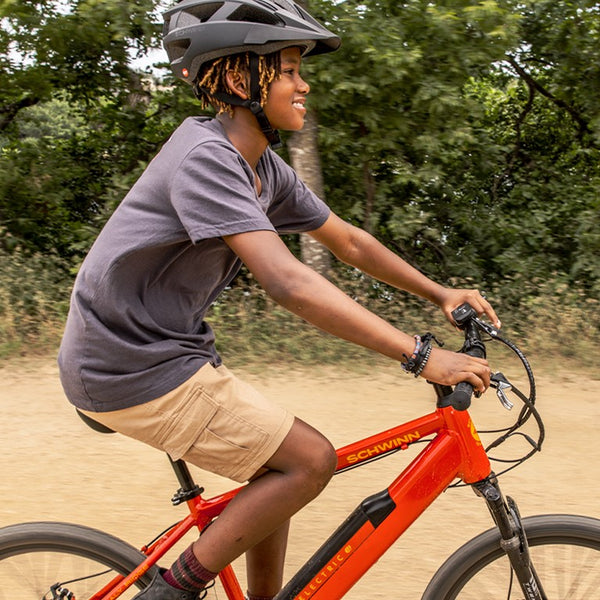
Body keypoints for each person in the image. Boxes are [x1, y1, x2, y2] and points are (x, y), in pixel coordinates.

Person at [58, 1, 501, 598]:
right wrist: (420, 355)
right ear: (241, 79)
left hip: (163, 353)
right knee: (309, 460)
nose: (303, 83)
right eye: (289, 68)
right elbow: (287, 282)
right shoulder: (207, 160)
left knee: (278, 466)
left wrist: (439, 292)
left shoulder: (259, 165)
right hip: (128, 363)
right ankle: (175, 588)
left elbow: (347, 241)